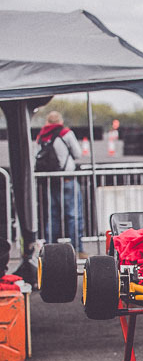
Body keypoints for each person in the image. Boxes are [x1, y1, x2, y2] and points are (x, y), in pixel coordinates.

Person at [36, 110, 85, 257]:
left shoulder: (42, 136)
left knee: (52, 216)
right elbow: (77, 154)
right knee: (73, 215)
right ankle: (77, 248)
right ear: (60, 120)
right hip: (67, 178)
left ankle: (51, 250)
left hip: (50, 180)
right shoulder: (65, 133)